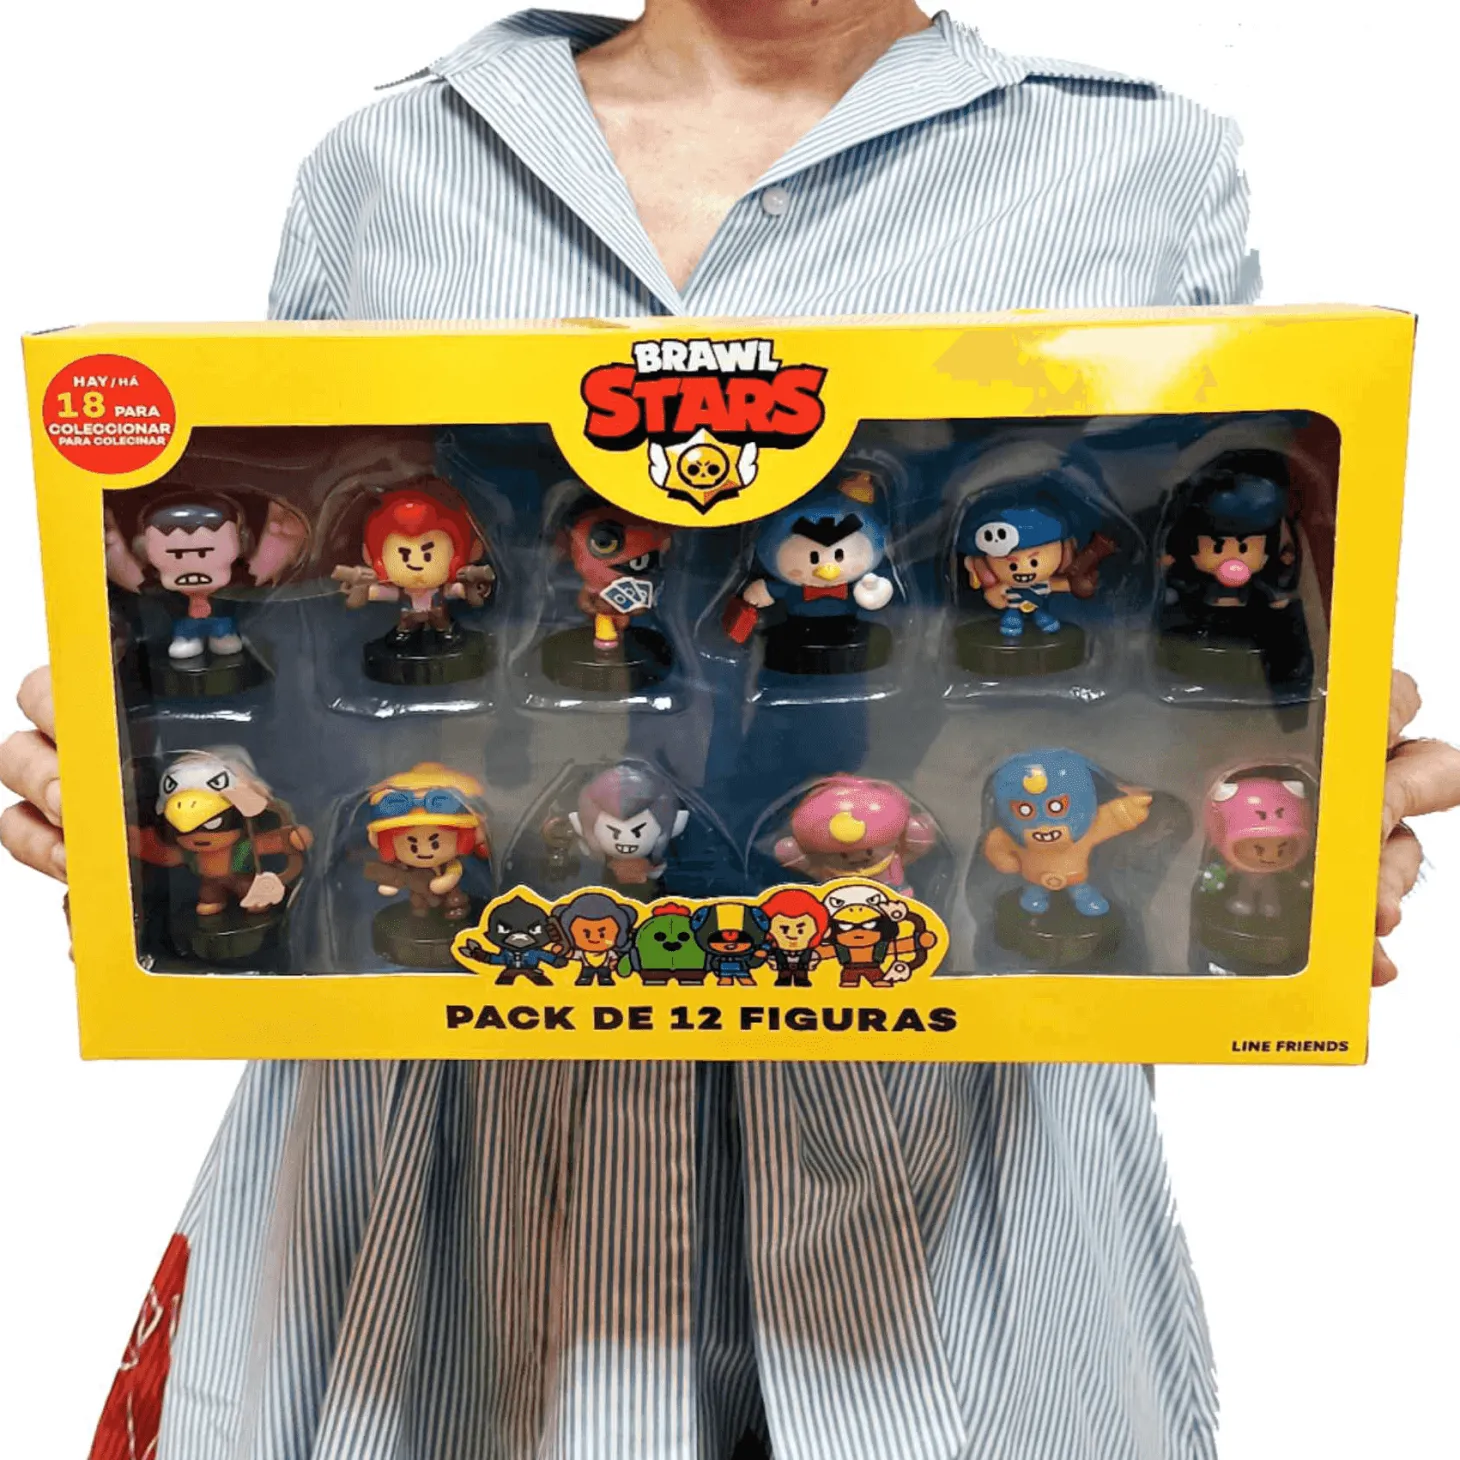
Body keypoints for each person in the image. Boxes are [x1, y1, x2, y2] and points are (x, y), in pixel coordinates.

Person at [3, 6, 1459, 1459]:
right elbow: (317, 626)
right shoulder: (397, 164)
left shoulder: (1136, 164)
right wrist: (154, 753)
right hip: (439, 1136)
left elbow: (1177, 642)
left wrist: (1297, 791)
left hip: (963, 1157)